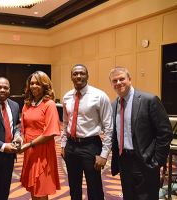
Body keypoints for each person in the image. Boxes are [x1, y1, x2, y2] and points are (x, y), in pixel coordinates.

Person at [109, 66, 173, 200]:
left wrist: (157, 161)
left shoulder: (149, 100)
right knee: (129, 196)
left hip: (145, 161)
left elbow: (165, 132)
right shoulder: (113, 105)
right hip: (124, 161)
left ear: (129, 79)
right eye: (115, 81)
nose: (118, 83)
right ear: (112, 84)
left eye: (122, 79)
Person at [61, 64, 113, 200]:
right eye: (75, 74)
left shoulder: (99, 96)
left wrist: (104, 154)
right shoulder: (67, 97)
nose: (79, 76)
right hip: (71, 146)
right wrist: (63, 145)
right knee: (74, 185)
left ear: (87, 76)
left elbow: (109, 126)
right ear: (71, 77)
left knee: (94, 186)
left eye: (82, 73)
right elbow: (65, 122)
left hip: (91, 145)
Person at [19, 71, 61, 200]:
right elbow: (23, 129)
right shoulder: (27, 104)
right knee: (33, 187)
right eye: (32, 83)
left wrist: (29, 145)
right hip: (29, 151)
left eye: (38, 83)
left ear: (45, 86)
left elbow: (50, 133)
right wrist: (19, 140)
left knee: (41, 188)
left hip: (43, 150)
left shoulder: (49, 104)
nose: (34, 86)